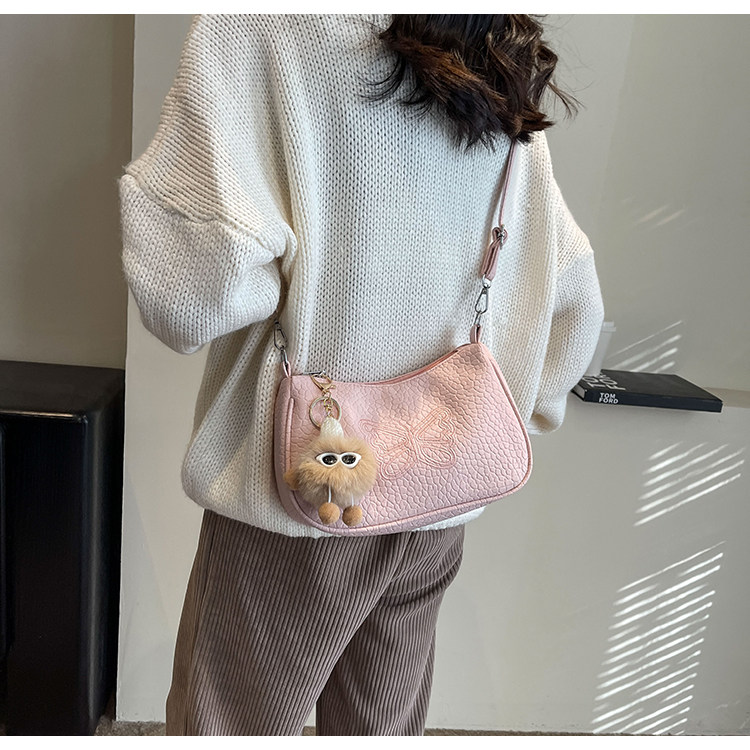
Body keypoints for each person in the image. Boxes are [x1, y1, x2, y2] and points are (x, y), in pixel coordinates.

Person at [117, 14, 605, 736]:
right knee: (380, 729)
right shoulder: (492, 44)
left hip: (297, 494)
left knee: (227, 726)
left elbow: (187, 296)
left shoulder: (260, 26)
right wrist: (515, 413)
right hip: (442, 489)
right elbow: (571, 291)